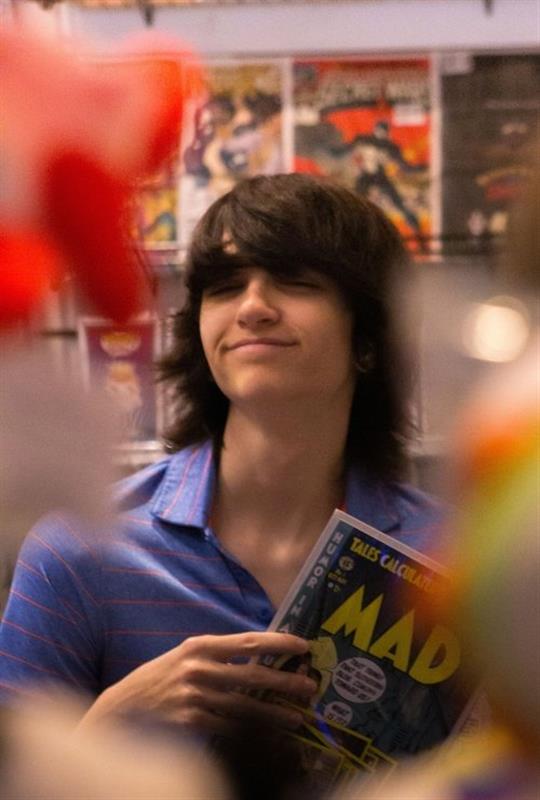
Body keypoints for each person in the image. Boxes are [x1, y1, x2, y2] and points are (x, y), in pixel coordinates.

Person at [0, 173, 443, 737]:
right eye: (226, 287)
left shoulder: (450, 559)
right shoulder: (79, 549)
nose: (253, 308)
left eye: (296, 281)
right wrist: (113, 717)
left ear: (371, 335)